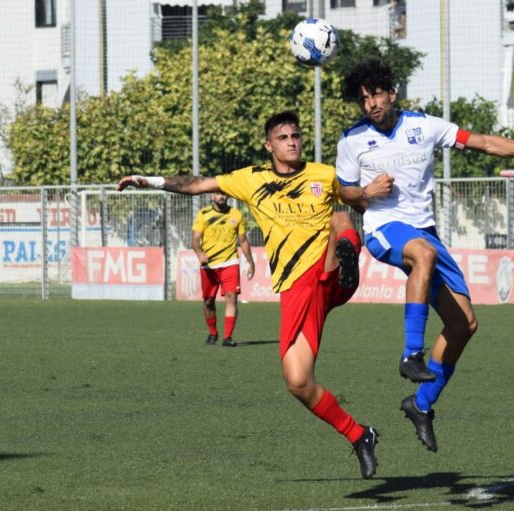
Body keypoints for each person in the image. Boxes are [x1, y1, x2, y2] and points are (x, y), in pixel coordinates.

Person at [117, 111, 379, 479]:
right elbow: (196, 184)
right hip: (296, 291)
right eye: (283, 137)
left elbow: (358, 201)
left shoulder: (323, 174)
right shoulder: (251, 179)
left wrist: (370, 193)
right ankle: (359, 434)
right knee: (297, 382)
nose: (292, 142)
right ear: (269, 145)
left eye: (296, 136)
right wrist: (149, 180)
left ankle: (350, 252)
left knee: (339, 217)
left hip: (329, 272)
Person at [335, 59, 514, 453]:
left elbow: (483, 142)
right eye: (363, 98)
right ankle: (410, 354)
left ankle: (420, 405)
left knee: (464, 324)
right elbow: (344, 191)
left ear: (392, 93)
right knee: (422, 254)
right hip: (384, 229)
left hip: (426, 234)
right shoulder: (352, 140)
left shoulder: (425, 126)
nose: (370, 104)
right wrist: (367, 192)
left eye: (376, 95)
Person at [192, 191, 255, 347]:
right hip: (209, 265)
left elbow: (243, 240)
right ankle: (213, 332)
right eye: (218, 194)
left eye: (224, 194)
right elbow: (195, 240)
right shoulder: (203, 214)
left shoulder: (236, 214)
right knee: (208, 301)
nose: (221, 197)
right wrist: (200, 253)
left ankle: (227, 337)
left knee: (231, 296)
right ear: (212, 196)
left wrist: (251, 262)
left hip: (230, 262)